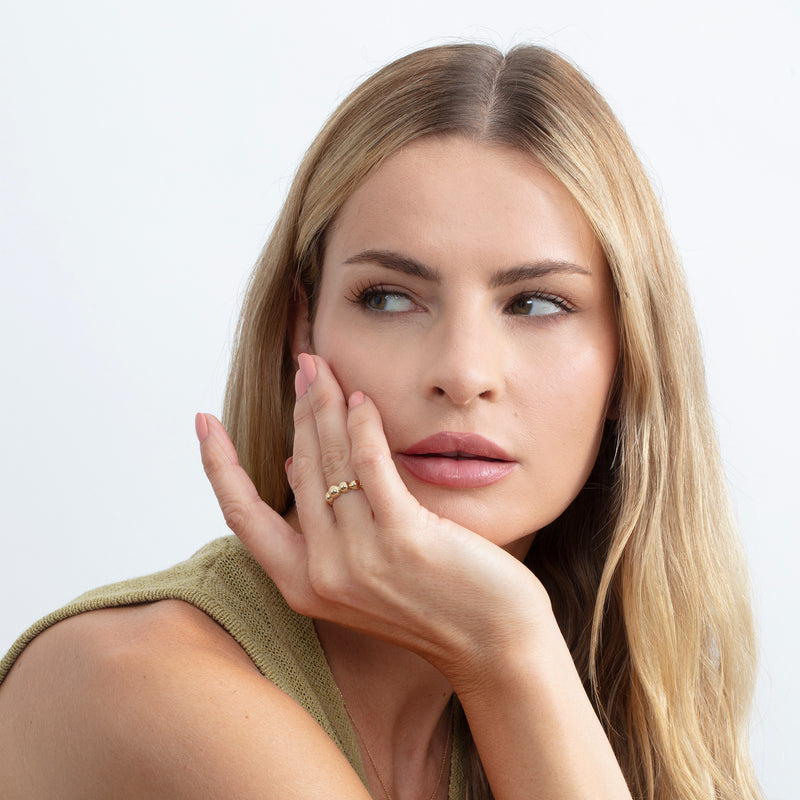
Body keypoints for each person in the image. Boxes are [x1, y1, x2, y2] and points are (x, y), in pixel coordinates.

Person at [0, 43, 761, 800]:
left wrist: (512, 652)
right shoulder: (142, 684)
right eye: (390, 298)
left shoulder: (598, 691)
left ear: (628, 357)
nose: (463, 373)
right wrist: (508, 646)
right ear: (304, 330)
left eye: (535, 304)